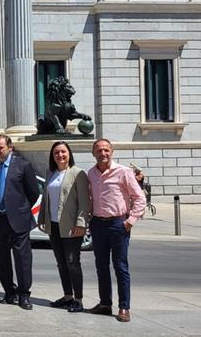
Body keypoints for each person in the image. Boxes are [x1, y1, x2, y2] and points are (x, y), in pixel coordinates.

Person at [86, 138, 146, 323]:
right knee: (101, 266)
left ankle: (124, 307)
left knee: (120, 267)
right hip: (98, 224)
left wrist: (130, 221)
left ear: (111, 152)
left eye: (106, 150)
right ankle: (105, 303)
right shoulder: (91, 173)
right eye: (99, 150)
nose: (103, 153)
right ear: (93, 153)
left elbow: (139, 198)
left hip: (118, 224)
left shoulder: (124, 172)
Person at [0, 134, 40, 310]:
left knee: (22, 259)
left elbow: (33, 193)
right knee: (2, 259)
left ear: (10, 148)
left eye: (0, 147)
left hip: (18, 220)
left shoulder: (23, 166)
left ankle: (24, 295)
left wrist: (19, 210)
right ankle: (9, 291)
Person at [37, 141, 90, 313]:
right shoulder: (50, 173)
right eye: (56, 153)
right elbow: (46, 197)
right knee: (61, 263)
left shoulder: (78, 173)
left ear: (69, 154)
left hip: (71, 225)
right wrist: (42, 216)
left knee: (72, 262)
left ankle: (78, 300)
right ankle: (67, 296)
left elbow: (84, 201)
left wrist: (81, 224)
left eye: (63, 152)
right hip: (54, 225)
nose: (60, 155)